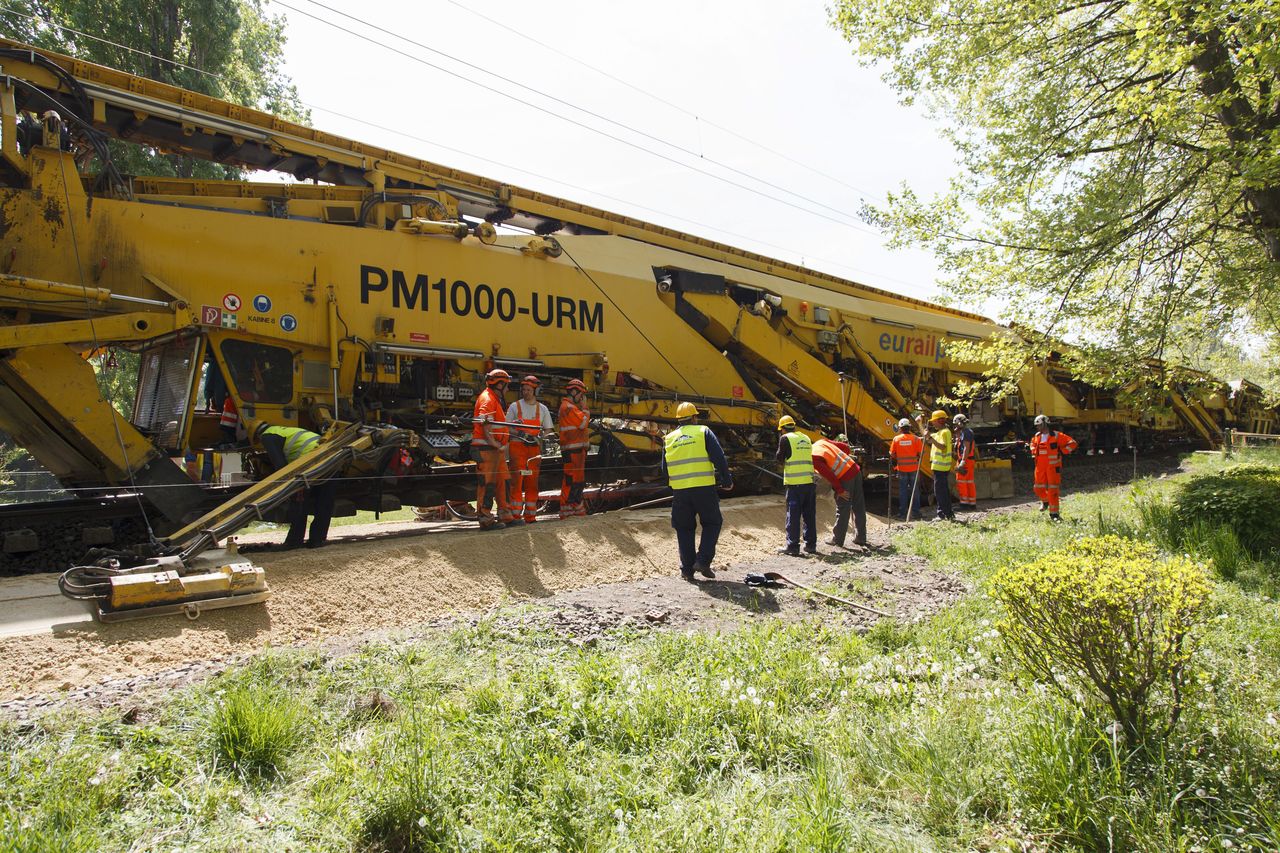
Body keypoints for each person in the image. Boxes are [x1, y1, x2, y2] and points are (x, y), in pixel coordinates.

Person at [660, 401, 732, 580]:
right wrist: (726, 480)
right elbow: (719, 457)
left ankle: (687, 570)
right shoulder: (703, 431)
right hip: (703, 489)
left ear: (678, 420)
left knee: (684, 529)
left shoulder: (669, 438)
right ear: (694, 417)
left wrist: (675, 486)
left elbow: (664, 469)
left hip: (680, 492)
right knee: (713, 523)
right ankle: (703, 560)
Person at [252, 419, 336, 549]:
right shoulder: (284, 430)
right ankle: (317, 540)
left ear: (257, 435)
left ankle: (294, 541)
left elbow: (281, 467)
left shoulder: (267, 436)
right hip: (329, 458)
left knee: (299, 502)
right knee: (324, 501)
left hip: (309, 462)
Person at [472, 368, 518, 530]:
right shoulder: (488, 399)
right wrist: (495, 443)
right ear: (499, 384)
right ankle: (485, 519)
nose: (508, 389)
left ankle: (506, 515)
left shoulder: (493, 398)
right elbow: (484, 423)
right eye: (506, 385)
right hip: (487, 449)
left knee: (503, 481)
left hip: (494, 449)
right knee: (488, 483)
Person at [506, 375, 554, 524]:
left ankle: (530, 516)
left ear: (535, 391)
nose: (525, 392)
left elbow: (548, 429)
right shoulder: (515, 406)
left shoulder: (543, 409)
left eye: (528, 389)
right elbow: (506, 426)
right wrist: (519, 433)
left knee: (532, 482)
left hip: (533, 450)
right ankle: (515, 516)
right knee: (516, 482)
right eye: (523, 389)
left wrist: (541, 436)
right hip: (517, 448)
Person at [812, 434, 867, 548]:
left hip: (846, 477)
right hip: (855, 469)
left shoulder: (813, 457)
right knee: (858, 506)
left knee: (843, 507)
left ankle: (838, 539)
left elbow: (829, 475)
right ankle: (861, 538)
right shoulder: (820, 442)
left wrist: (840, 490)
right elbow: (846, 448)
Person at [775, 414, 817, 556]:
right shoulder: (806, 438)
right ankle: (811, 545)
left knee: (793, 516)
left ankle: (792, 547)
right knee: (809, 515)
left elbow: (779, 458)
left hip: (795, 485)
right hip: (809, 483)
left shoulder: (785, 439)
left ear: (782, 429)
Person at [1029, 414, 1079, 521]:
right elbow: (1032, 444)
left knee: (1053, 490)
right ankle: (1045, 501)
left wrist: (1062, 451)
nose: (1037, 427)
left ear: (1045, 424)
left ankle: (1054, 514)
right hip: (1040, 467)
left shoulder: (1057, 436)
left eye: (1039, 425)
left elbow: (1073, 444)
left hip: (1053, 467)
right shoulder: (1037, 436)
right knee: (1038, 488)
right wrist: (1032, 450)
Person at [558, 378, 590, 518]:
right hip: (572, 450)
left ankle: (576, 507)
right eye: (581, 394)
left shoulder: (571, 407)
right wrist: (586, 409)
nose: (582, 398)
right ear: (574, 392)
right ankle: (567, 509)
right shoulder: (568, 407)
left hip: (576, 450)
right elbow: (583, 423)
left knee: (578, 480)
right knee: (570, 480)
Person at [921, 409, 955, 521]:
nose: (932, 423)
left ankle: (945, 514)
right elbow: (927, 438)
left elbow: (943, 447)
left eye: (934, 421)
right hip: (938, 467)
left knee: (941, 492)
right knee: (941, 491)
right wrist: (920, 424)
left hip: (941, 467)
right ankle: (944, 513)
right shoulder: (939, 433)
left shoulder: (945, 432)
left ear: (940, 421)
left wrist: (930, 438)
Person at [890, 418, 924, 520]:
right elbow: (921, 453)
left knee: (903, 491)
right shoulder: (916, 439)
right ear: (909, 427)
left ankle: (902, 513)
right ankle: (916, 513)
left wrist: (899, 458)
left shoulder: (896, 439)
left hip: (902, 469)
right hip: (914, 468)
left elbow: (892, 454)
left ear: (900, 428)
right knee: (915, 491)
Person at [953, 413, 978, 511]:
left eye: (956, 424)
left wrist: (963, 461)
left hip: (966, 460)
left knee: (962, 482)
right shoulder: (965, 432)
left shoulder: (966, 433)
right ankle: (971, 504)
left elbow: (966, 447)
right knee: (969, 482)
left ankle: (964, 504)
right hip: (968, 460)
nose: (955, 427)